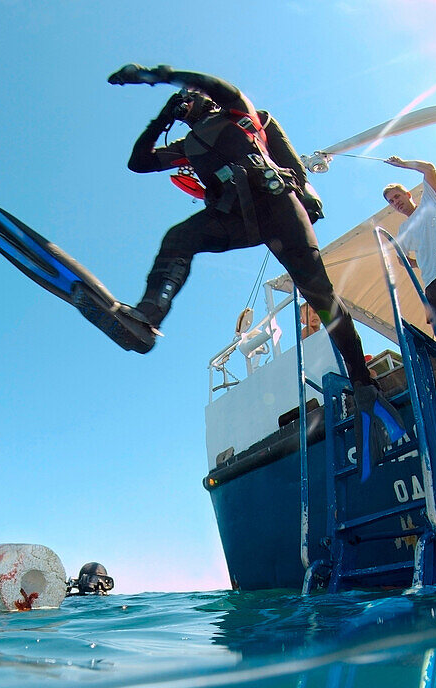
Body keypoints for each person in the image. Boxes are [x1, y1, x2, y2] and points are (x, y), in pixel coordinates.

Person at [107, 63, 403, 478]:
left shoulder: (239, 113)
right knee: (178, 238)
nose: (187, 102)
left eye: (191, 97)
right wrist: (162, 118)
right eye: (184, 101)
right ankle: (149, 316)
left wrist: (156, 74)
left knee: (319, 293)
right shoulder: (187, 146)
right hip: (237, 216)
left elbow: (216, 85)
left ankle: (363, 381)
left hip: (279, 205)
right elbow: (138, 163)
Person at [383, 157, 436, 342]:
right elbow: (401, 259)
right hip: (432, 279)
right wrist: (418, 263)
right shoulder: (402, 231)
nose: (395, 202)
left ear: (408, 194)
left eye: (397, 196)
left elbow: (430, 168)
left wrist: (403, 164)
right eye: (391, 201)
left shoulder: (429, 202)